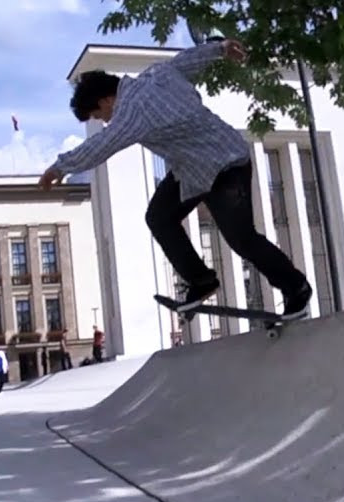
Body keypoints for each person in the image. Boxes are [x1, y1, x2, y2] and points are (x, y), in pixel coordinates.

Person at [38, 37, 313, 318]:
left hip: (225, 167)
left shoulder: (131, 112)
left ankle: (296, 287)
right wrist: (220, 48)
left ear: (107, 99)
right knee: (159, 216)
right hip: (193, 170)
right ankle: (201, 280)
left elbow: (102, 145)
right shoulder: (157, 74)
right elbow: (187, 61)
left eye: (99, 114)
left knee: (241, 239)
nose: (104, 121)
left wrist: (60, 167)